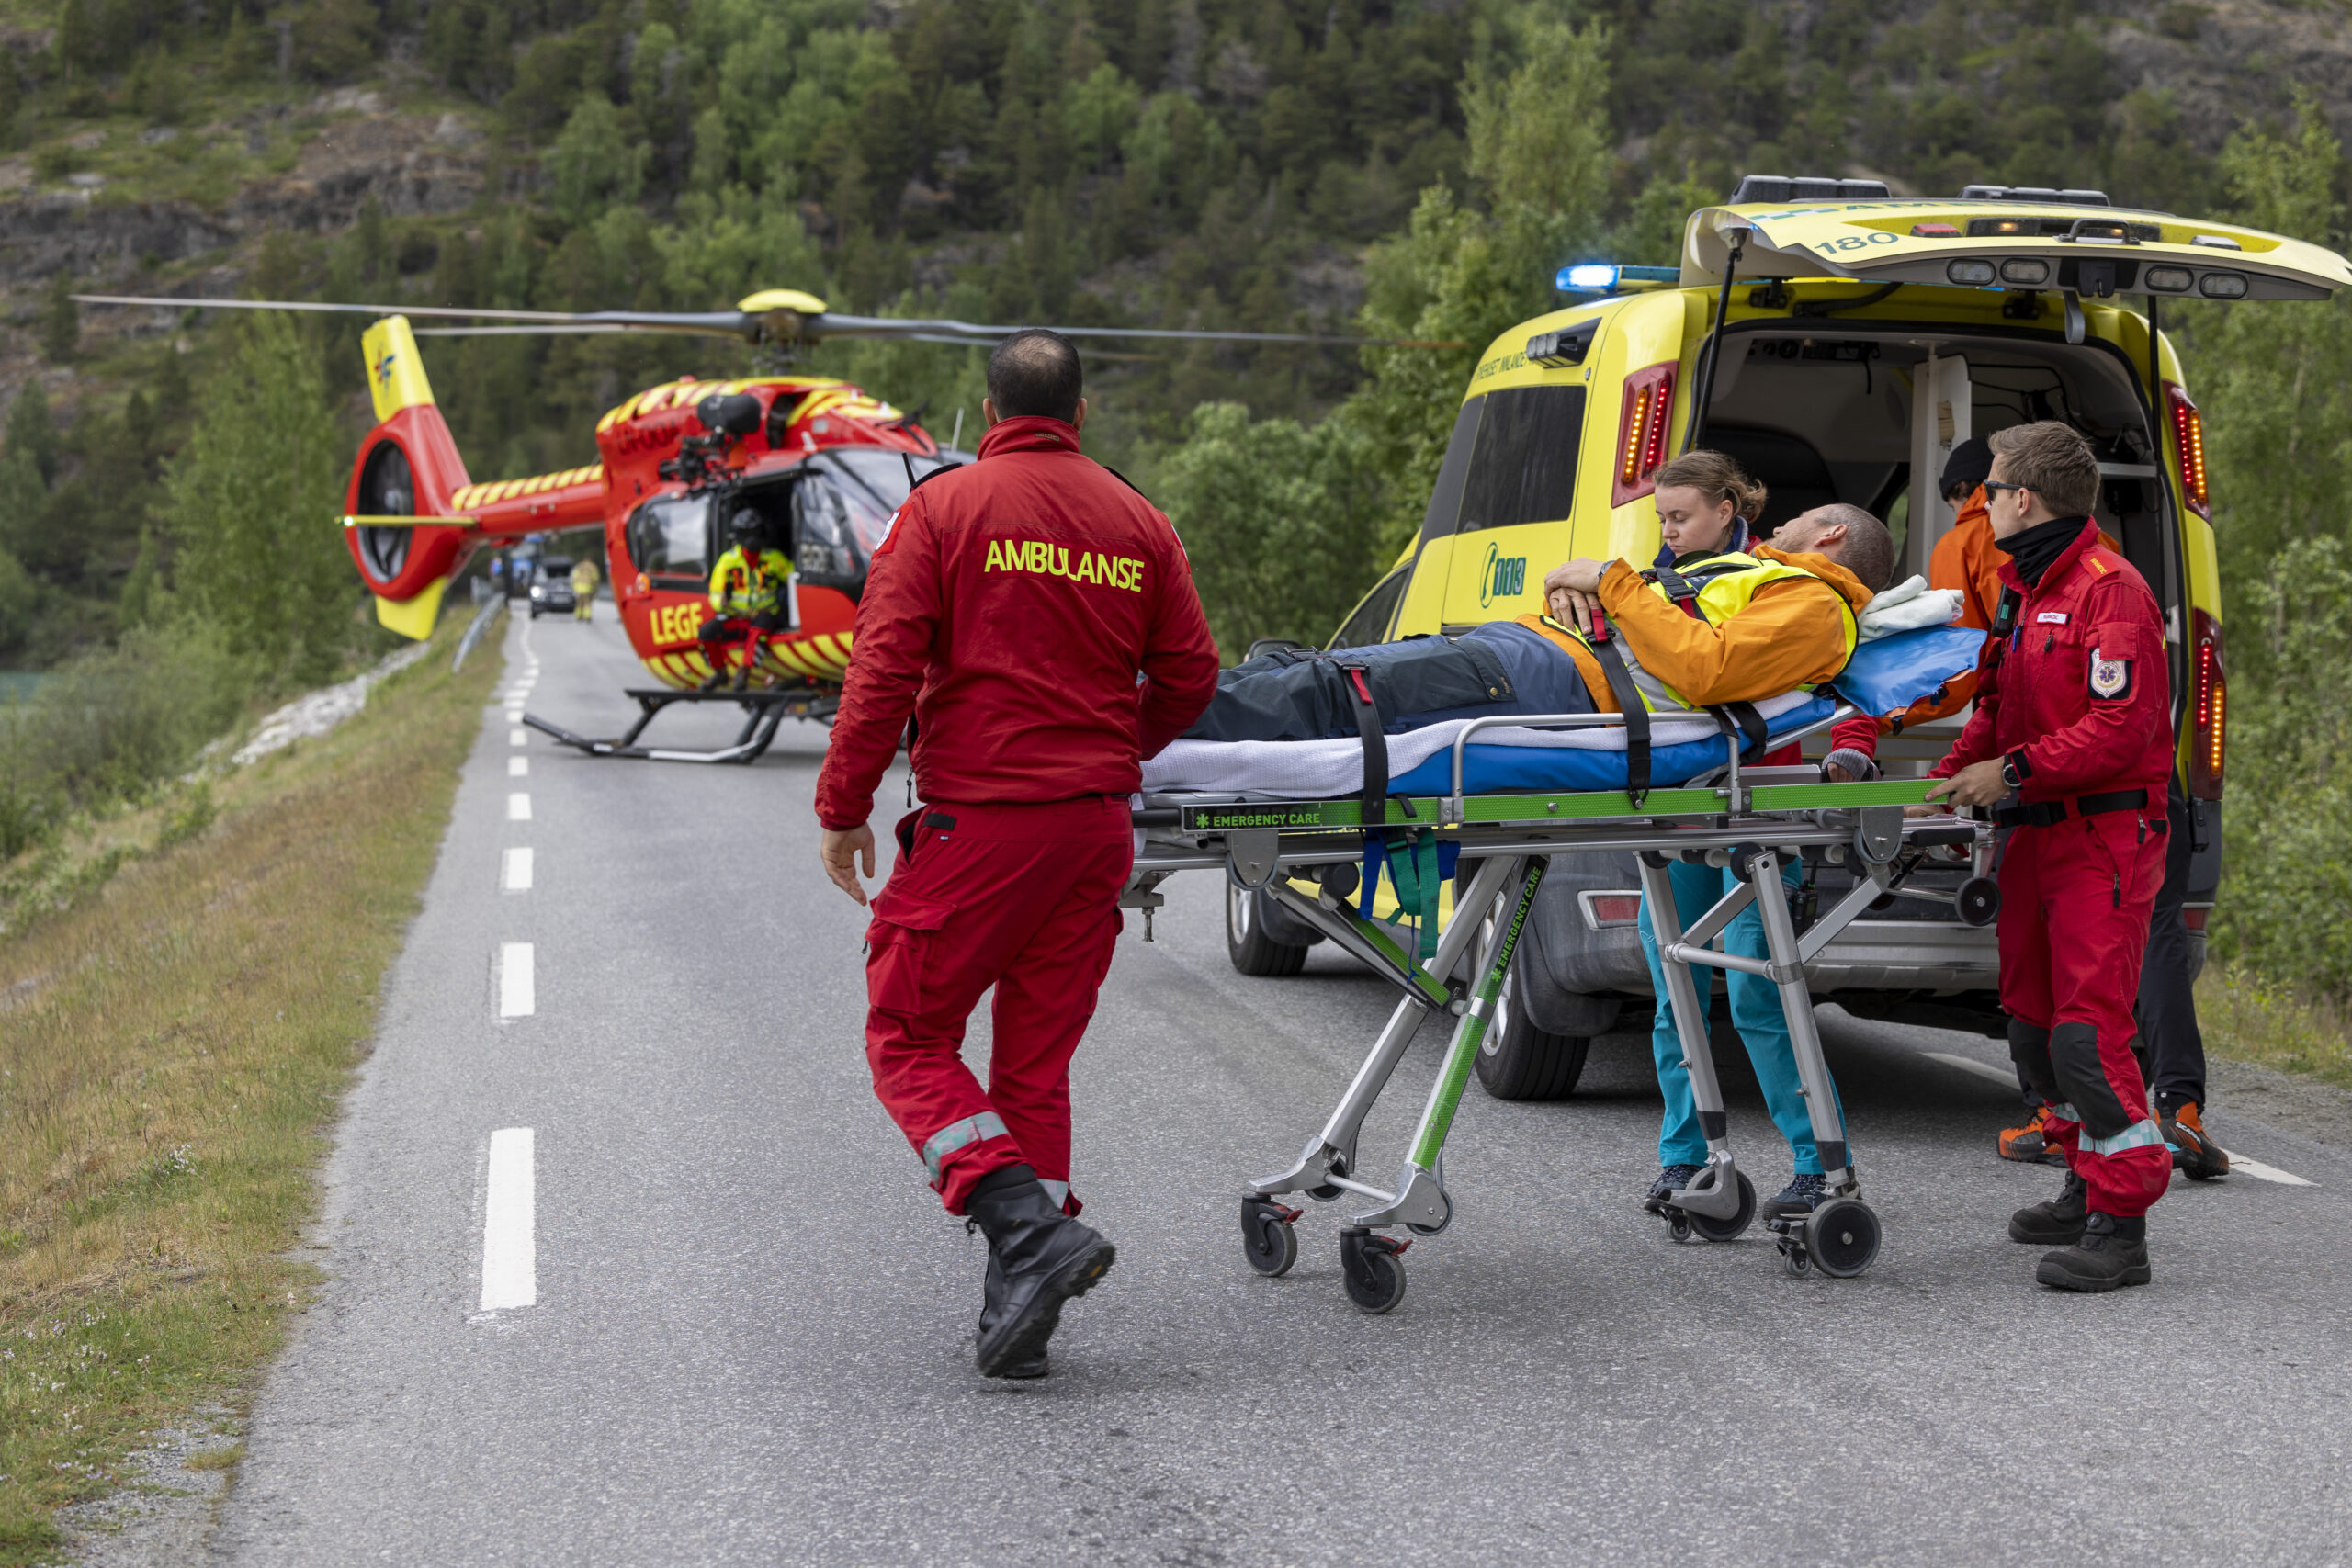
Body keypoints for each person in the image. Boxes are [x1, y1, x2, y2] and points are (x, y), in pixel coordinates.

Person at [813, 329, 1219, 1379]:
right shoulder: (1140, 522)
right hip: (1092, 832)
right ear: (1078, 414)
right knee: (1031, 1067)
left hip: (983, 826)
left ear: (990, 413)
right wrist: (1109, 750)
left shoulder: (943, 510)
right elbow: (1191, 672)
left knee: (906, 1034)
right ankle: (1020, 1298)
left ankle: (1026, 1231)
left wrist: (842, 803)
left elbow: (883, 666)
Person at [1540, 454, 1885, 1224]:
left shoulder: (1802, 589)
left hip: (1758, 805)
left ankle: (1815, 1164)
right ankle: (1686, 1156)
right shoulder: (1687, 576)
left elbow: (1854, 677)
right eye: (1661, 518)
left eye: (1679, 515)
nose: (1667, 529)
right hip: (1683, 800)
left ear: (1730, 508)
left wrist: (1854, 746)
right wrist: (1575, 584)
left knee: (1762, 993)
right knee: (1676, 993)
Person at [1918, 421, 2175, 1292]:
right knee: (2031, 1025)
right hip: (2035, 830)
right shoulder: (2027, 590)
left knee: (2086, 1033)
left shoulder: (2115, 593)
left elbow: (2119, 728)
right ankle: (2080, 1177)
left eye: (1990, 489)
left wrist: (2012, 771)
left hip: (2102, 836)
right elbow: (1999, 703)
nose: (1981, 502)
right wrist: (1953, 777)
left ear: (2023, 499)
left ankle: (2121, 1225)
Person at [697, 513, 792, 691]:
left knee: (759, 626)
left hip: (766, 615)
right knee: (707, 631)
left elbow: (793, 577)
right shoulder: (728, 561)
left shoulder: (773, 559)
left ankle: (744, 671)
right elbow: (715, 593)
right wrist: (721, 602)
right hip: (737, 618)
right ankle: (720, 673)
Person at [569, 555, 600, 622]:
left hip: (578, 587)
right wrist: (595, 588)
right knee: (587, 602)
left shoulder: (579, 566)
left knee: (579, 602)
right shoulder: (593, 567)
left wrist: (572, 586)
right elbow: (595, 578)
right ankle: (587, 616)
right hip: (587, 587)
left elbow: (573, 577)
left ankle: (578, 615)